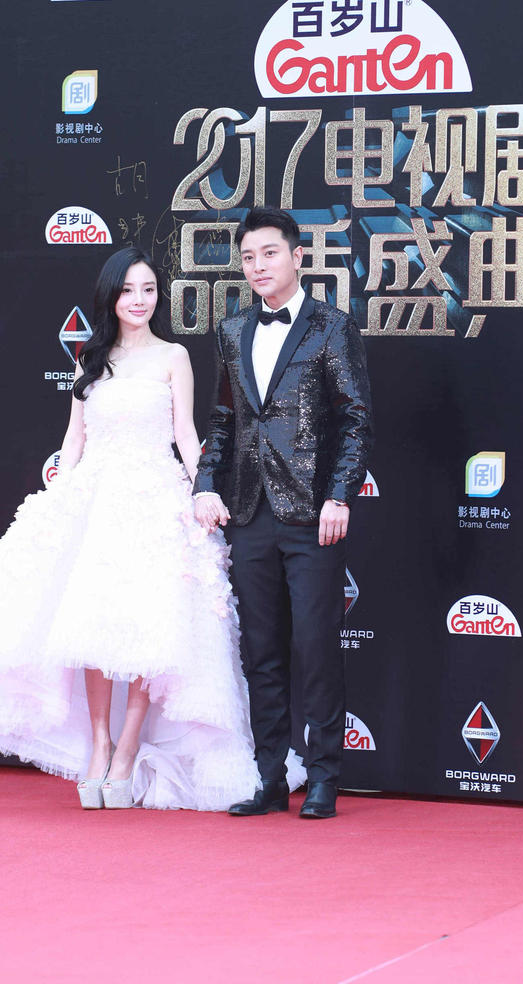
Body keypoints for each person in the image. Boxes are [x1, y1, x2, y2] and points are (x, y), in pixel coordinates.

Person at [0, 247, 301, 810]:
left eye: (149, 290)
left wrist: (202, 490)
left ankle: (129, 747)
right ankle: (99, 745)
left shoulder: (174, 356)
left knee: (147, 629)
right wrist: (58, 498)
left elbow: (185, 434)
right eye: (129, 290)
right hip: (95, 505)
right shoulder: (91, 357)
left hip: (156, 505)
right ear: (111, 296)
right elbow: (74, 437)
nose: (139, 300)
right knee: (92, 628)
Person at [194, 207, 373, 819]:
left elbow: (355, 420)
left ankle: (323, 778)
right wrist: (204, 484)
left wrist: (339, 494)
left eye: (269, 253)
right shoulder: (232, 330)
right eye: (248, 257)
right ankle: (270, 778)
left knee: (317, 648)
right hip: (248, 513)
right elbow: (223, 420)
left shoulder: (332, 327)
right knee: (261, 652)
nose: (258, 266)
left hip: (312, 513)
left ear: (298, 257)